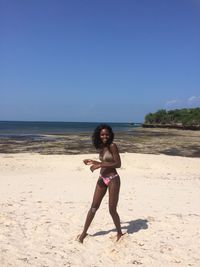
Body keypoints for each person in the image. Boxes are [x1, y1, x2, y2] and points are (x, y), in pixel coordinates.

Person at [77, 124, 123, 243]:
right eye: (102, 134)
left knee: (112, 210)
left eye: (107, 134)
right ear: (99, 135)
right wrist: (94, 161)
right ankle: (84, 233)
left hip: (113, 179)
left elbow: (118, 164)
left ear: (110, 135)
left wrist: (100, 165)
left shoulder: (113, 146)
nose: (105, 136)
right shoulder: (101, 147)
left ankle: (119, 232)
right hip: (102, 178)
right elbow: (106, 161)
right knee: (93, 207)